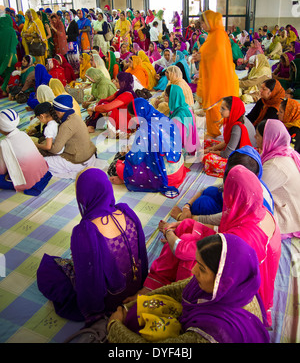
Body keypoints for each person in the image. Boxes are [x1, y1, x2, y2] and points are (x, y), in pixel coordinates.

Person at [135, 165, 280, 326]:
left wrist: (169, 232)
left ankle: (157, 289)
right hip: (250, 274)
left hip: (242, 290)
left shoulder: (241, 237)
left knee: (190, 258)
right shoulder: (258, 211)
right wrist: (187, 223)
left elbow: (184, 251)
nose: (223, 198)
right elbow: (221, 232)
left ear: (234, 197)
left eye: (227, 195)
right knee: (189, 231)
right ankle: (154, 285)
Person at [107, 233, 270, 344]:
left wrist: (115, 327)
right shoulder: (237, 286)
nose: (193, 271)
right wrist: (138, 300)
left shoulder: (212, 333)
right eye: (196, 263)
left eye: (201, 268)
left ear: (224, 281)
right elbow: (177, 289)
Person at [36, 167, 148, 325]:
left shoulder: (85, 231)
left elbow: (89, 283)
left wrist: (93, 312)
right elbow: (142, 254)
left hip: (111, 300)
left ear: (83, 195)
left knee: (48, 269)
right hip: (136, 287)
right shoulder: (126, 212)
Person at [170, 145, 274, 226]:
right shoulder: (250, 183)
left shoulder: (250, 205)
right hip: (230, 213)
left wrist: (185, 219)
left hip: (235, 231)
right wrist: (186, 207)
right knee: (210, 191)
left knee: (203, 204)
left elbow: (220, 225)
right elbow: (206, 189)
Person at [109, 98, 189, 198]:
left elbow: (137, 158)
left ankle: (124, 180)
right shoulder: (163, 118)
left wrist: (128, 154)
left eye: (133, 116)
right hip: (178, 170)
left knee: (119, 166)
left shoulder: (146, 129)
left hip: (167, 177)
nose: (132, 119)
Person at [196, 10, 239, 137]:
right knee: (211, 106)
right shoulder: (212, 35)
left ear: (210, 21)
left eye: (203, 23)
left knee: (215, 105)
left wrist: (202, 57)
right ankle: (212, 130)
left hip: (218, 78)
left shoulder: (219, 35)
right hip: (211, 76)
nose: (202, 26)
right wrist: (200, 56)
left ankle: (215, 131)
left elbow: (218, 57)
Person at [255, 119, 300, 235]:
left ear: (267, 139)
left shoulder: (276, 165)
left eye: (258, 135)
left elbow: (253, 191)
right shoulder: (284, 151)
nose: (254, 137)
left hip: (288, 217)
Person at [41, 94, 97, 179]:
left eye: (55, 113)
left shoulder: (67, 125)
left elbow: (56, 150)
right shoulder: (75, 117)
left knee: (41, 162)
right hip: (89, 156)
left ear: (59, 112)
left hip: (78, 161)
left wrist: (39, 145)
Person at [0, 108, 52, 196]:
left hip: (28, 181)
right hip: (43, 172)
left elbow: (2, 170)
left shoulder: (4, 143)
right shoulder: (23, 134)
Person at [202, 96, 254, 177]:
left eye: (223, 108)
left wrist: (209, 152)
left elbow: (227, 154)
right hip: (234, 150)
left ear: (232, 110)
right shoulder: (234, 118)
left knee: (208, 158)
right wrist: (211, 149)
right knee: (206, 142)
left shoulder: (237, 126)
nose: (220, 110)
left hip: (244, 161)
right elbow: (227, 142)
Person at [87, 71, 137, 136]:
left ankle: (92, 125)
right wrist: (96, 106)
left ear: (123, 83)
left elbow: (108, 107)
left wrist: (94, 108)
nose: (114, 83)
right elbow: (107, 99)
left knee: (109, 109)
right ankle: (92, 124)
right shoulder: (121, 91)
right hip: (123, 115)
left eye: (117, 81)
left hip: (128, 120)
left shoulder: (127, 95)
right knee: (104, 104)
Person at [165, 85, 200, 156]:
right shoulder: (186, 108)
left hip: (186, 149)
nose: (164, 97)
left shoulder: (178, 118)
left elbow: (177, 139)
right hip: (193, 144)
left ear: (172, 97)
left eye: (166, 95)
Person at [0, 14, 18, 97]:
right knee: (10, 72)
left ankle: (4, 87)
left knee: (4, 71)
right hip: (10, 55)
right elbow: (14, 43)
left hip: (1, 55)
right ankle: (4, 88)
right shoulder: (11, 30)